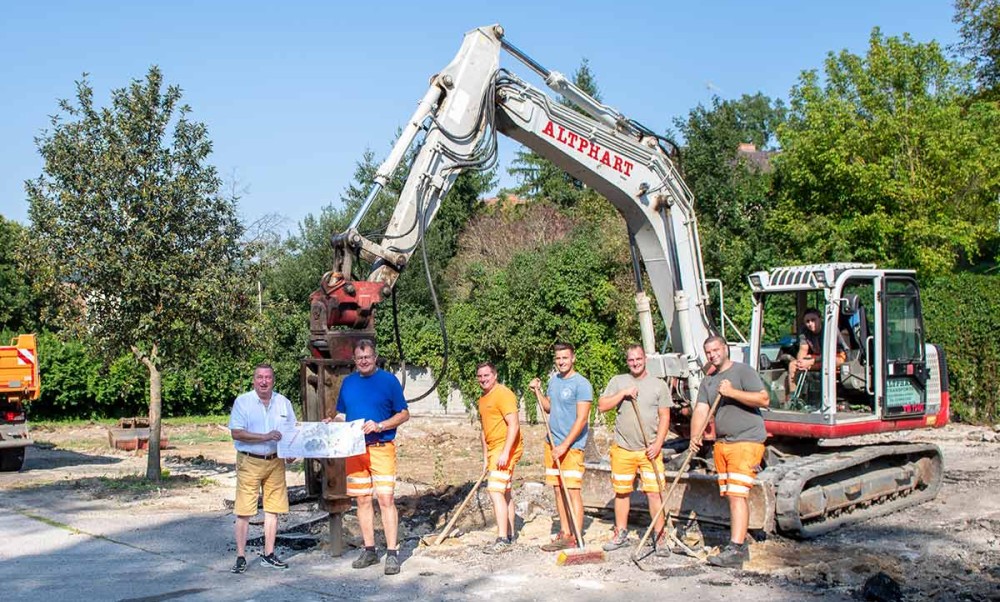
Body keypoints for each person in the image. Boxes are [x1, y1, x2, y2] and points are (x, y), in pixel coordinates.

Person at [689, 335, 770, 568]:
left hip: (746, 441)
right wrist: (695, 437)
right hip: (723, 443)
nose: (712, 355)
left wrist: (733, 392)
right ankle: (737, 544)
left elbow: (763, 399)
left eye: (716, 350)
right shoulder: (709, 381)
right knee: (730, 495)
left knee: (737, 495)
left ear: (725, 349)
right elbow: (701, 410)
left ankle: (736, 548)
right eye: (708, 352)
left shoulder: (743, 372)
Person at [334, 339, 410, 576]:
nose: (363, 361)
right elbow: (341, 414)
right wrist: (333, 423)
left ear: (375, 357)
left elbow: (404, 413)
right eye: (359, 358)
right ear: (354, 360)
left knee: (386, 499)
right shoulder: (348, 383)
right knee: (363, 500)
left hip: (381, 447)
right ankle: (369, 550)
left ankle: (392, 553)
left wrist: (380, 425)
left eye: (367, 357)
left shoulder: (388, 381)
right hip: (355, 451)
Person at [596, 344, 673, 555]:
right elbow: (602, 405)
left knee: (654, 493)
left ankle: (660, 536)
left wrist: (658, 444)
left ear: (645, 359)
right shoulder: (619, 381)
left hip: (650, 450)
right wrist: (623, 394)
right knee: (621, 492)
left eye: (638, 359)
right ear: (627, 361)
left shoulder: (658, 385)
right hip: (623, 448)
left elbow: (665, 416)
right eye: (631, 360)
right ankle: (620, 532)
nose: (635, 363)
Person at [228, 363, 298, 573]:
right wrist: (265, 436)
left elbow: (291, 431)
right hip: (250, 460)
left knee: (273, 509)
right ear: (254, 380)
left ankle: (269, 553)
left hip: (275, 461)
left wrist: (291, 452)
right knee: (244, 510)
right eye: (260, 377)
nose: (264, 381)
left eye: (268, 377)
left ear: (273, 380)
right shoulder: (243, 402)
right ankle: (241, 556)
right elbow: (237, 433)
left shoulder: (283, 403)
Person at [529, 342, 593, 552]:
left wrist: (565, 445)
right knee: (558, 490)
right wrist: (537, 393)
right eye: (558, 358)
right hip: (552, 444)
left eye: (565, 358)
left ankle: (575, 535)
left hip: (571, 446)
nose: (561, 362)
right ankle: (565, 532)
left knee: (572, 490)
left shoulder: (581, 384)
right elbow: (549, 408)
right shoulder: (553, 381)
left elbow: (582, 419)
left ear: (573, 358)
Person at [476, 361, 524, 554]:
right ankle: (510, 534)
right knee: (504, 492)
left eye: (486, 375)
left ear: (494, 375)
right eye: (480, 376)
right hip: (494, 448)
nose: (483, 379)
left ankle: (502, 538)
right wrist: (486, 457)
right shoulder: (483, 398)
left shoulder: (503, 394)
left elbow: (514, 424)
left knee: (494, 491)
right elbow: (484, 429)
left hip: (506, 447)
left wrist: (505, 452)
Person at [787, 307, 848, 399]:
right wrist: (801, 362)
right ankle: (793, 396)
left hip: (836, 356)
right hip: (817, 357)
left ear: (820, 318)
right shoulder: (804, 332)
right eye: (807, 321)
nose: (810, 324)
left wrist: (810, 362)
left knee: (831, 362)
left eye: (813, 320)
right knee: (793, 365)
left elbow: (829, 354)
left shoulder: (830, 330)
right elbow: (803, 349)